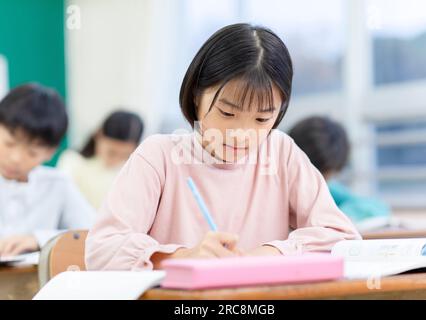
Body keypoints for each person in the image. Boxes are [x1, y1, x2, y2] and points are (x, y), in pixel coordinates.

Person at [85, 23, 360, 271]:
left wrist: (265, 254)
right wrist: (184, 258)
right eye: (227, 114)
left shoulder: (280, 152)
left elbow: (343, 238)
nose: (242, 134)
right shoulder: (159, 157)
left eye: (262, 118)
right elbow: (102, 250)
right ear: (196, 97)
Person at [0, 83, 95, 257]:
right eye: (9, 143)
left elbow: (93, 233)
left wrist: (39, 239)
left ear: (50, 153)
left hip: (36, 282)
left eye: (32, 152)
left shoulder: (57, 184)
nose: (16, 158)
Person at [58, 110, 144, 209]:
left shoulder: (134, 172)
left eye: (125, 154)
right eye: (111, 152)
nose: (116, 160)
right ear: (98, 135)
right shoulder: (72, 161)